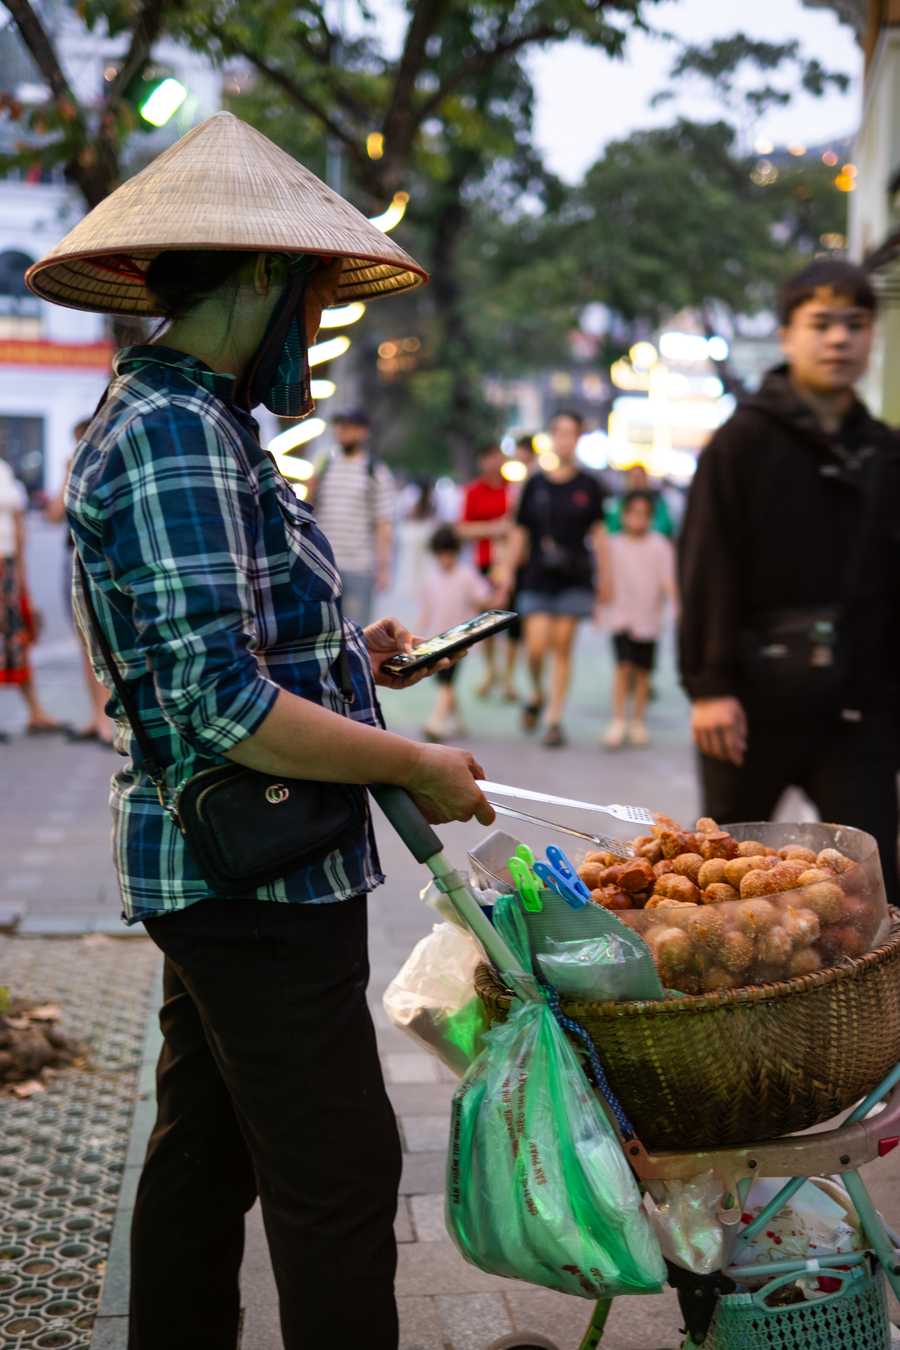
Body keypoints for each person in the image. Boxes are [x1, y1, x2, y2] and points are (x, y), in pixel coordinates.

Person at [27, 111, 494, 1350]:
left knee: (206, 1154)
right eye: (306, 291)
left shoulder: (206, 416)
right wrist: (418, 765)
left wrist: (356, 655)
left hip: (231, 870)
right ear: (260, 279)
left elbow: (225, 645)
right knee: (340, 1177)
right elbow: (224, 705)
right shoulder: (177, 431)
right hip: (254, 884)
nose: (316, 323)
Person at [679, 258, 900, 903]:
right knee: (727, 884)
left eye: (855, 325)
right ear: (786, 335)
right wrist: (709, 686)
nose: (839, 340)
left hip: (859, 706)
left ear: (872, 335)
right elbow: (705, 566)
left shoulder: (884, 452)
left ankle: (866, 1010)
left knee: (873, 891)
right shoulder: (740, 444)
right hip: (747, 705)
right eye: (821, 323)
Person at [500, 410, 608, 747]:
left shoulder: (590, 486)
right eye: (559, 432)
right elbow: (519, 532)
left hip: (574, 576)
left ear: (578, 438)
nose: (565, 439)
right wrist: (505, 572)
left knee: (562, 648)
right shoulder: (535, 484)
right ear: (552, 437)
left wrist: (606, 576)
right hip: (537, 575)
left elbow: (600, 533)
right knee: (535, 646)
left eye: (571, 433)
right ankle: (536, 692)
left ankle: (554, 718)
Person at [45, 419, 115, 745]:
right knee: (86, 641)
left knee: (105, 641)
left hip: (103, 563)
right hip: (76, 561)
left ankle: (108, 720)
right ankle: (97, 716)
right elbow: (55, 515)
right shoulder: (78, 468)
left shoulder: (106, 463)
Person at [602, 490, 677, 749]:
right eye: (633, 514)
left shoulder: (660, 545)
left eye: (644, 515)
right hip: (621, 615)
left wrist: (676, 606)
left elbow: (669, 580)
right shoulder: (613, 544)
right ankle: (618, 719)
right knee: (622, 667)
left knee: (643, 671)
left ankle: (638, 721)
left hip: (649, 618)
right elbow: (605, 579)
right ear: (623, 516)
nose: (638, 520)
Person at [309, 409, 396, 625]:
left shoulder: (375, 471)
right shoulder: (324, 466)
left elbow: (383, 523)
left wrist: (383, 568)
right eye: (339, 427)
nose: (341, 432)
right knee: (325, 628)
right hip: (325, 564)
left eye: (347, 427)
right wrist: (310, 487)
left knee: (358, 629)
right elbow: (307, 509)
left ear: (362, 432)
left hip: (360, 565)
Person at [0, 455, 65, 739]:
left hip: (7, 566)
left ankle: (35, 711)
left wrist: (22, 577)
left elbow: (17, 526)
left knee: (18, 636)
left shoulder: (3, 469)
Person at [418, 524, 493, 742]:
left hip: (460, 639)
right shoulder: (431, 578)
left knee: (447, 679)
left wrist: (495, 597)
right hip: (436, 638)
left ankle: (436, 720)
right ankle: (457, 720)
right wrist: (419, 634)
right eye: (440, 554)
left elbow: (482, 597)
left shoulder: (466, 574)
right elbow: (426, 608)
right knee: (444, 681)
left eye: (448, 554)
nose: (445, 559)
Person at [456, 442, 513, 698]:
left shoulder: (514, 491)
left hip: (512, 565)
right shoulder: (473, 491)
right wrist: (494, 528)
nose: (493, 462)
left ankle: (508, 677)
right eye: (488, 457)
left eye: (497, 456)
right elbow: (463, 529)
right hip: (483, 564)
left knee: (514, 624)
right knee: (487, 622)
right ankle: (491, 670)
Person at [606, 463, 674, 537]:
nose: (636, 481)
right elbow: (611, 527)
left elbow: (665, 526)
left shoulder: (657, 502)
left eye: (639, 477)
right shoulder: (619, 502)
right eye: (633, 477)